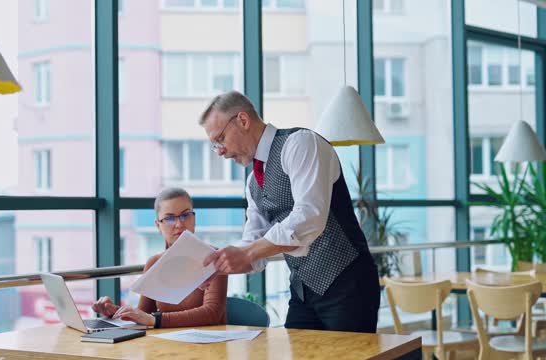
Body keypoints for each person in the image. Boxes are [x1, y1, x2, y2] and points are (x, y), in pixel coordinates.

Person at [200, 91, 380, 332]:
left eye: (220, 139)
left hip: (348, 285)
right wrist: (220, 264)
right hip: (303, 292)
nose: (220, 150)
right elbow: (253, 243)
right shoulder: (254, 181)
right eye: (215, 145)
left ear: (242, 120)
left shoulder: (301, 143)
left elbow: (309, 217)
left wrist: (248, 252)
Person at [92, 187, 227, 328]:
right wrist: (116, 311)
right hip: (168, 345)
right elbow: (143, 315)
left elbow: (212, 313)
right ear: (158, 225)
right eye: (169, 218)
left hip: (210, 346)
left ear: (194, 218)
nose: (179, 224)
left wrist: (155, 320)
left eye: (186, 215)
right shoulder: (154, 263)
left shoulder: (213, 256)